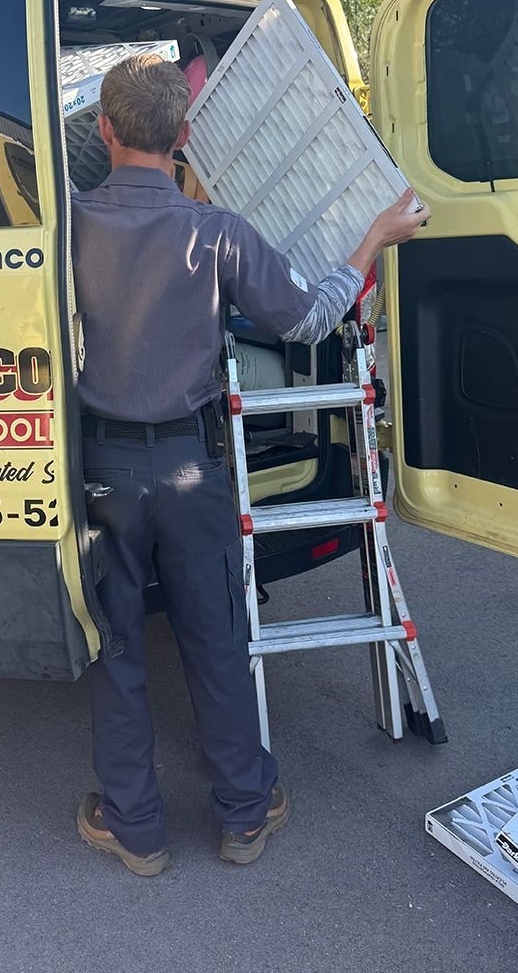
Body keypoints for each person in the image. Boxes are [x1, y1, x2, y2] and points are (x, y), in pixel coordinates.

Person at [70, 55, 428, 876]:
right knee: (215, 638)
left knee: (116, 646)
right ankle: (243, 812)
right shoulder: (216, 231)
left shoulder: (70, 229)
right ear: (186, 135)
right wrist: (374, 235)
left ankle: (135, 828)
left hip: (102, 470)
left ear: (105, 130)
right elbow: (308, 318)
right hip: (193, 470)